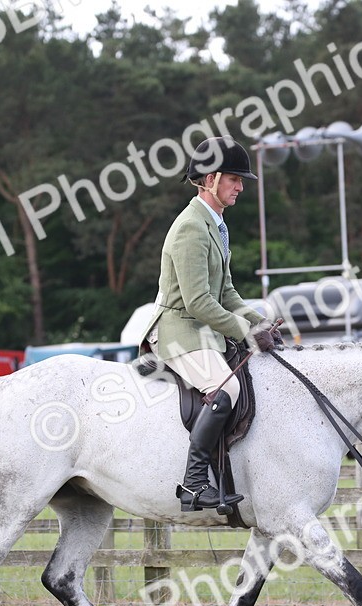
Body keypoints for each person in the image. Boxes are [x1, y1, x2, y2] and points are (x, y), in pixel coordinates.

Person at [139, 136, 279, 512]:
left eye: (241, 180)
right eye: (234, 179)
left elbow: (227, 291)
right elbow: (199, 301)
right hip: (179, 329)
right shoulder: (191, 227)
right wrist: (245, 333)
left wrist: (260, 322)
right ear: (210, 178)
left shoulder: (216, 225)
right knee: (226, 388)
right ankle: (195, 483)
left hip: (203, 328)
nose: (241, 187)